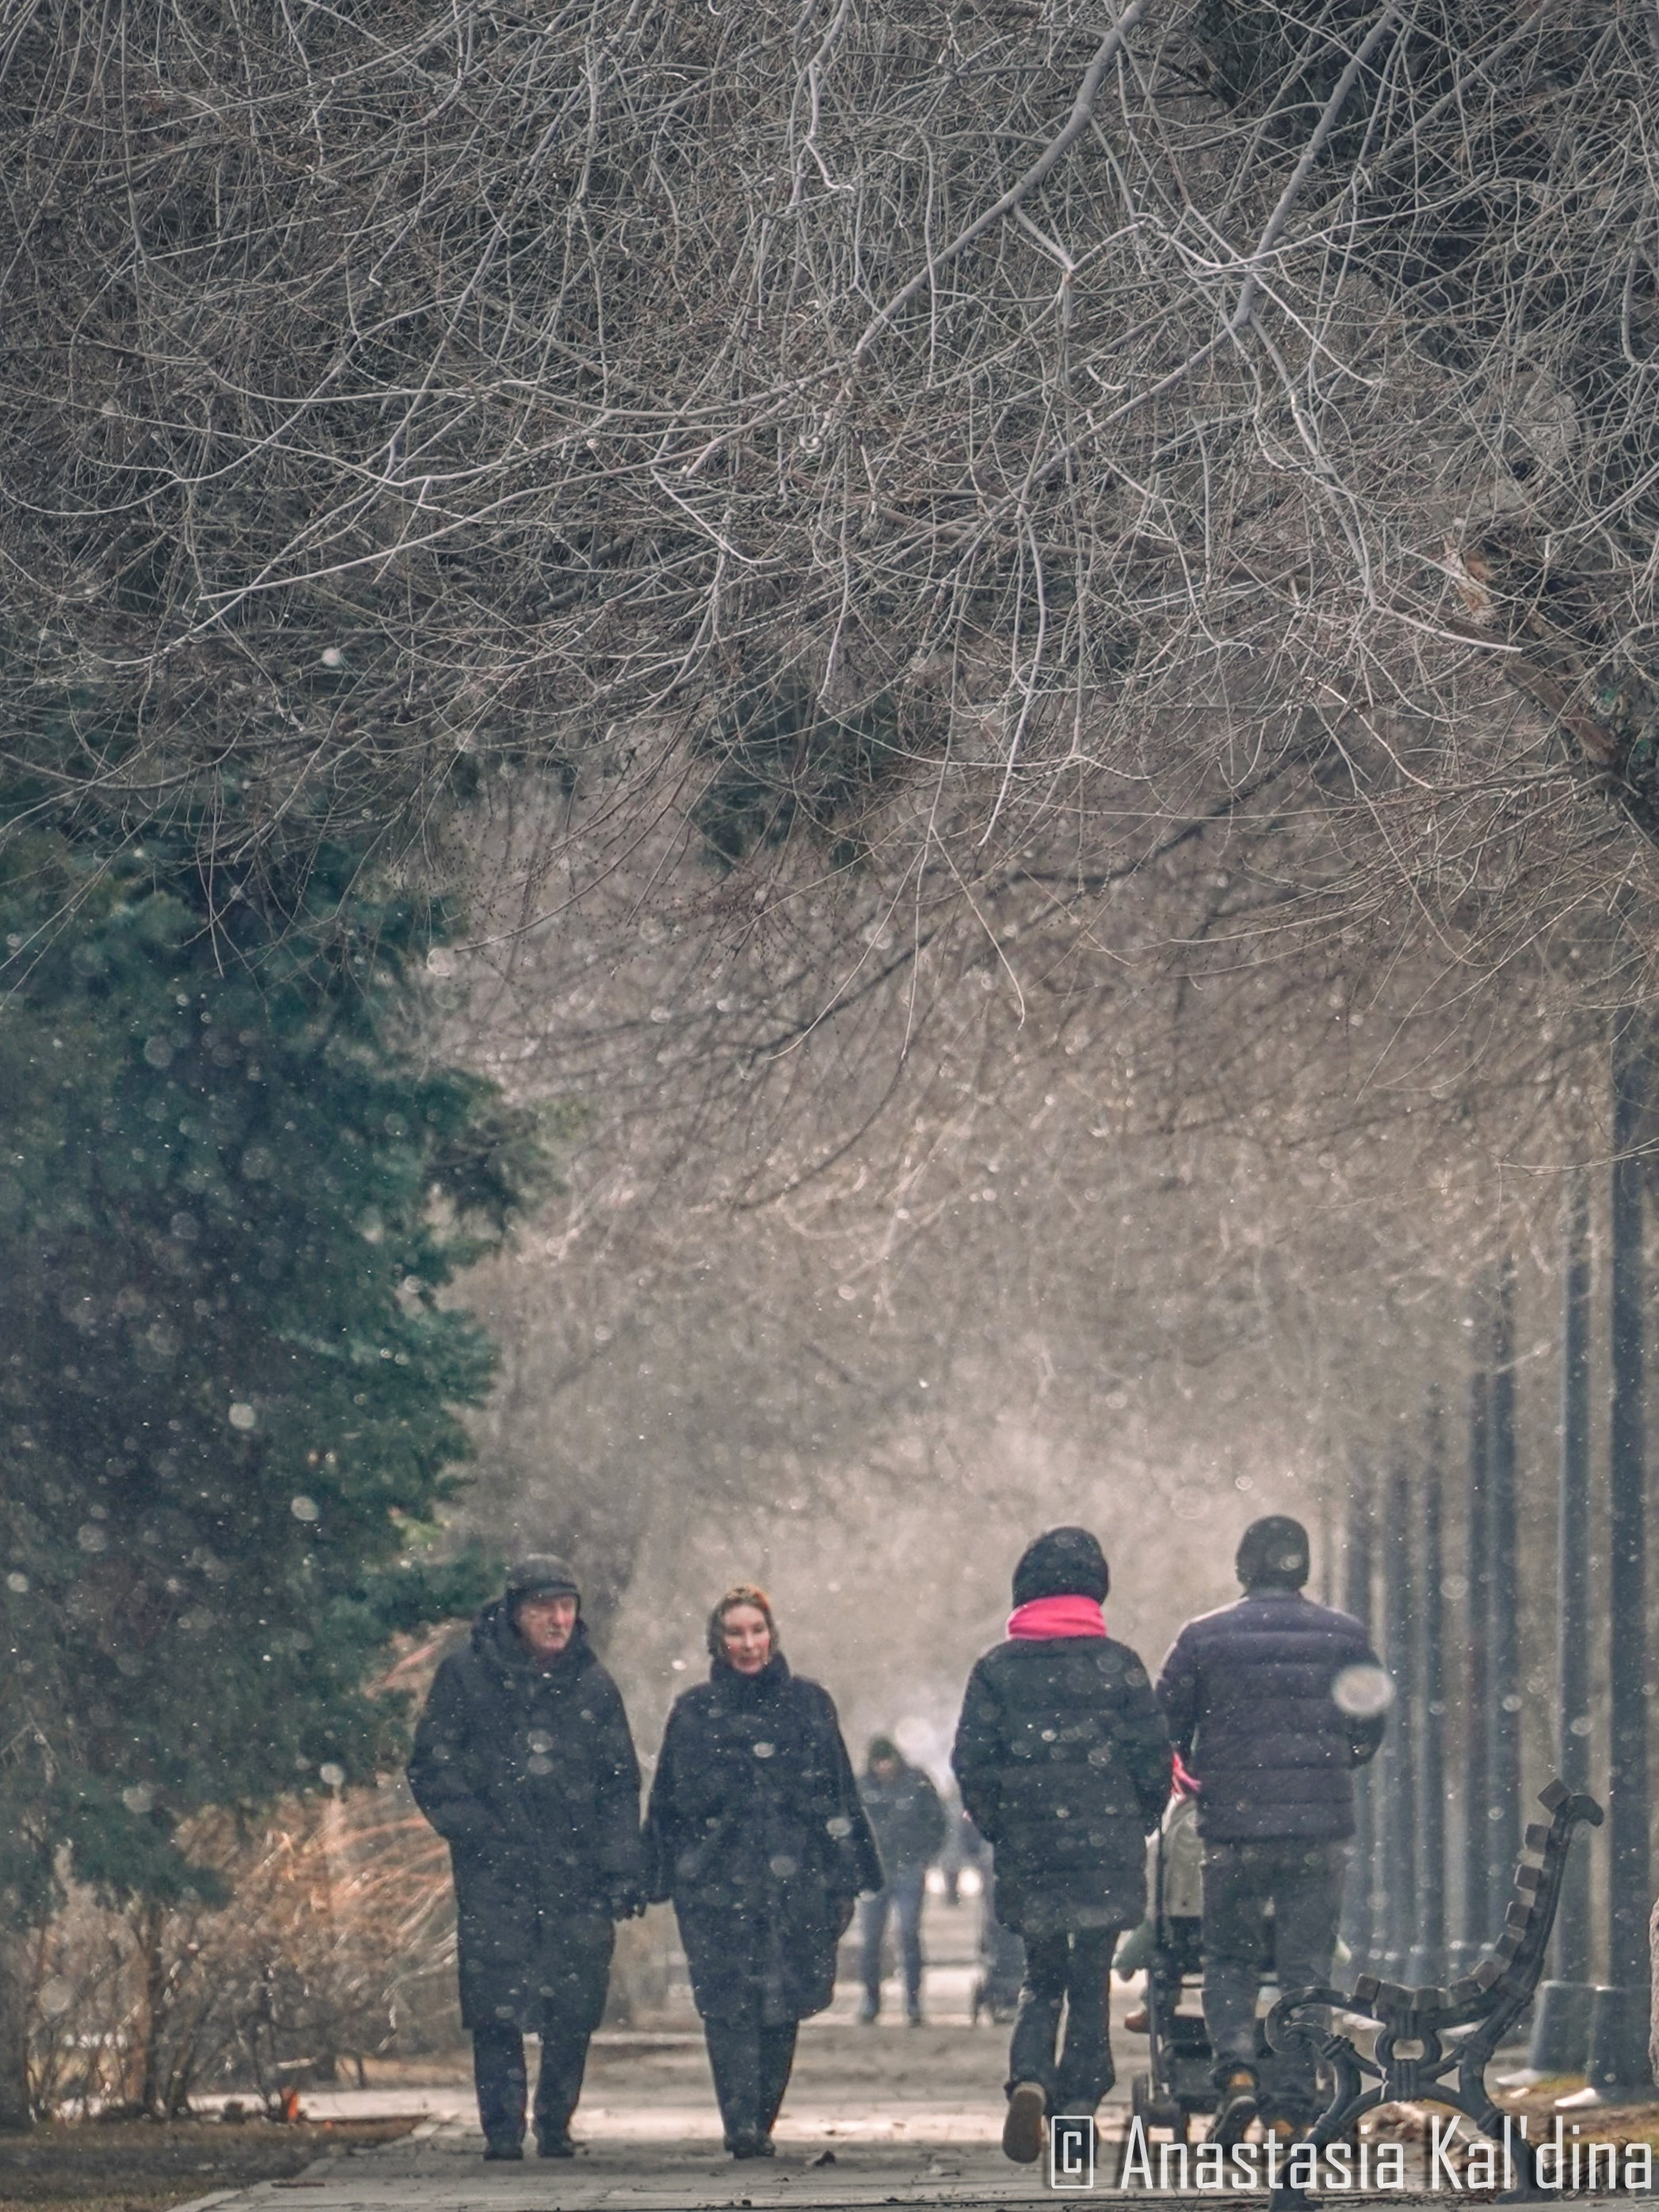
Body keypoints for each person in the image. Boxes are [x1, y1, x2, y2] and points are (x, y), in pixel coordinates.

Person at [1156, 1513, 1387, 2144]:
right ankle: (1290, 2103)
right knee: (1305, 1969)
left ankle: (1234, 2074)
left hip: (1232, 1829)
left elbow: (1164, 1725)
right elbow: (1372, 1716)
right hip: (1319, 1829)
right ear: (1304, 1567)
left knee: (1227, 1956)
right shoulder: (1344, 1636)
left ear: (1242, 1568)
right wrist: (1339, 1761)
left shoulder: (1203, 1638)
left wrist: (1192, 1773)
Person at [407, 1554, 645, 2162]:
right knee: (496, 2004)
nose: (558, 1618)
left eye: (567, 1606)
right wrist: (475, 1830)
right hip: (496, 1871)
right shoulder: (466, 1676)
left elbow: (620, 1781)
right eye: (544, 1607)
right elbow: (432, 1765)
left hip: (578, 1870)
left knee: (574, 2005)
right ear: (515, 1611)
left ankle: (556, 2122)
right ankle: (503, 2131)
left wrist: (621, 1867)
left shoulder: (593, 1684)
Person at [952, 1527, 1170, 2167]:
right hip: (1105, 1847)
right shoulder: (1120, 1664)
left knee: (1040, 1977)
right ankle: (1076, 2110)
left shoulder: (996, 1669)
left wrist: (1004, 1826)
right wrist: (1137, 1821)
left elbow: (972, 1761)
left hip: (1032, 1849)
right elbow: (1152, 1758)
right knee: (1089, 1984)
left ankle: (1028, 2077)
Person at [644, 1584, 882, 2159]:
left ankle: (761, 2118)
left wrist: (848, 1871)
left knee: (783, 2003)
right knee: (726, 2003)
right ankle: (741, 2123)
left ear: (772, 1636)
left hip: (795, 1880)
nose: (748, 1644)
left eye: (756, 1631)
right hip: (716, 1883)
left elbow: (837, 1794)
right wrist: (657, 1871)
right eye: (735, 1632)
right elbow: (669, 1802)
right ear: (717, 1641)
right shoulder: (694, 1712)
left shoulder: (808, 1704)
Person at [857, 1735, 947, 2024]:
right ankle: (871, 2000)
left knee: (908, 1934)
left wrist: (925, 1855)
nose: (884, 1767)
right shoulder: (862, 1787)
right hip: (874, 1871)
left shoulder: (916, 1783)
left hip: (908, 1866)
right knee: (871, 1939)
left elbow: (937, 1821)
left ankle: (912, 2001)